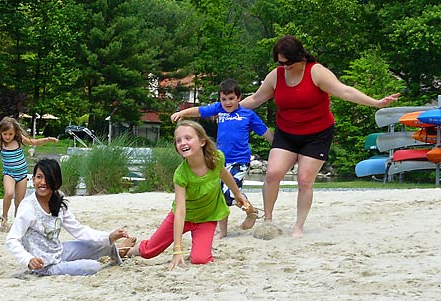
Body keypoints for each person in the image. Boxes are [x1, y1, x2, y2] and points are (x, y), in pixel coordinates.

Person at [239, 35, 399, 238]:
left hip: (317, 135)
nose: (284, 66)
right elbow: (255, 98)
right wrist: (227, 108)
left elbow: (345, 91)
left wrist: (376, 103)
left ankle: (298, 226)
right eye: (280, 63)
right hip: (287, 132)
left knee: (304, 180)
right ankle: (268, 220)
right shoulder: (276, 76)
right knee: (272, 174)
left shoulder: (316, 72)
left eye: (287, 62)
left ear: (299, 57)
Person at [125, 120, 247, 270]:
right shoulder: (181, 175)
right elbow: (180, 211)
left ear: (202, 141)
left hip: (206, 218)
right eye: (178, 140)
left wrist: (237, 194)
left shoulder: (217, 158)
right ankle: (128, 251)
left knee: (200, 259)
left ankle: (199, 247)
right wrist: (177, 249)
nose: (183, 142)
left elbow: (225, 174)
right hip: (183, 217)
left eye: (188, 138)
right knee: (149, 251)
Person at [171, 78, 274, 238]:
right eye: (224, 99)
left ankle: (251, 212)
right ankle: (225, 230)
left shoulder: (248, 114)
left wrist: (280, 147)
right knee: (220, 194)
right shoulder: (219, 110)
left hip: (240, 161)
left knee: (229, 194)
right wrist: (182, 113)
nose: (227, 102)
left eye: (231, 98)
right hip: (220, 160)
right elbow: (199, 111)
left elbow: (265, 132)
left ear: (239, 98)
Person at [5, 159, 136, 276]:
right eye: (39, 177)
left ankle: (120, 251)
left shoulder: (58, 200)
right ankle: (122, 251)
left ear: (56, 181)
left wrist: (109, 236)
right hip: (46, 265)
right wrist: (28, 260)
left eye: (48, 178)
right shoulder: (28, 207)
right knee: (92, 266)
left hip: (60, 251)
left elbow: (78, 230)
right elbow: (12, 239)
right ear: (33, 179)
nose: (43, 182)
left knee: (107, 245)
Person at [0, 117, 58, 231]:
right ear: (0, 132)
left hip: (22, 174)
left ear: (15, 133)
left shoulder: (19, 139)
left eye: (10, 134)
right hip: (9, 173)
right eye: (5, 134)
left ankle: (18, 221)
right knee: (9, 193)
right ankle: (4, 217)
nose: (7, 137)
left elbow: (35, 142)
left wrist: (49, 139)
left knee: (19, 201)